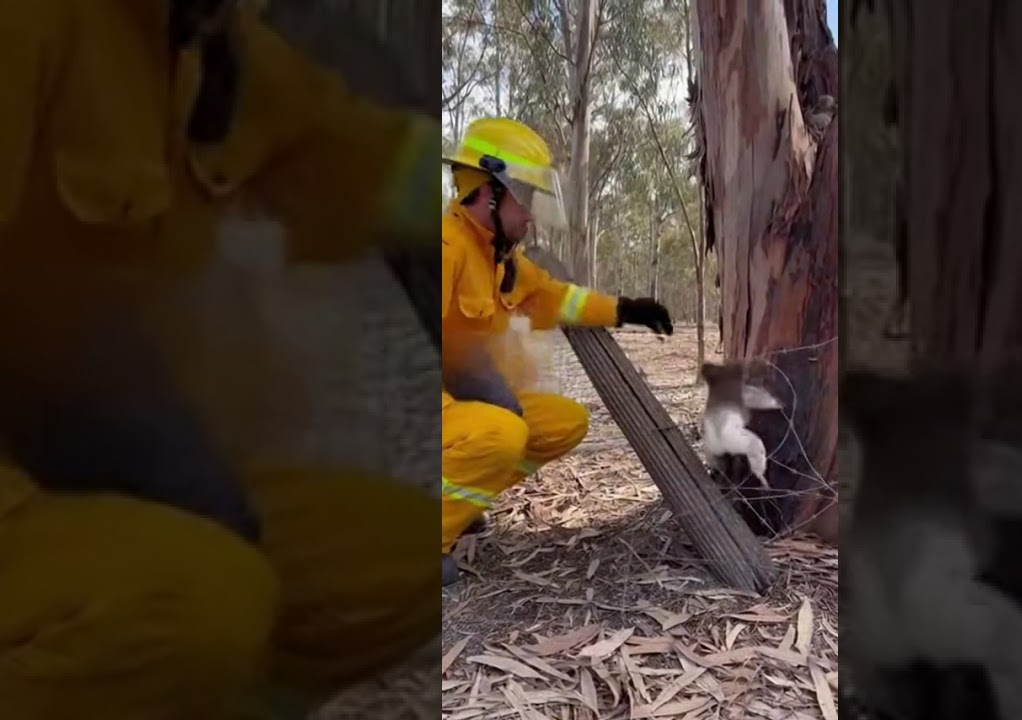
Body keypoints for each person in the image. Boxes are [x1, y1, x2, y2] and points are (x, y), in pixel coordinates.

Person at [0, 2, 444, 718]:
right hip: (30, 475)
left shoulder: (202, 37)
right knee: (206, 604)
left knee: (403, 559)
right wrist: (101, 405)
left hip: (96, 458)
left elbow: (355, 150)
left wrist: (492, 213)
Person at [441, 117, 674, 585]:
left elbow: (556, 297)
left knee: (563, 423)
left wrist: (626, 309)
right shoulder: (445, 250)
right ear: (489, 193)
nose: (530, 214)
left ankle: (460, 503)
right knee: (503, 431)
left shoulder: (498, 257)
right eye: (524, 198)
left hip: (458, 407)